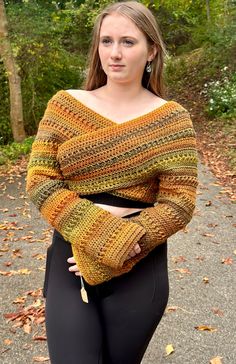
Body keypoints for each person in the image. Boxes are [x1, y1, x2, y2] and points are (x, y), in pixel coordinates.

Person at [26, 1, 198, 363]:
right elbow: (40, 180)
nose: (115, 53)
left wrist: (126, 246)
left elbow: (179, 202)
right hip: (71, 257)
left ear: (151, 50)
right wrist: (101, 234)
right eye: (106, 41)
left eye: (128, 42)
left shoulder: (172, 120)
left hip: (141, 265)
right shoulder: (65, 106)